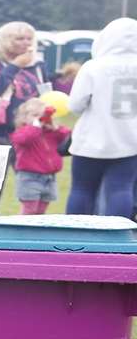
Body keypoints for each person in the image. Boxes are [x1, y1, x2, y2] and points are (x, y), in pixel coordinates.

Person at [63, 17, 137, 217]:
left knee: (82, 189)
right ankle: (117, 237)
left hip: (91, 140)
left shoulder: (94, 66)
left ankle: (75, 234)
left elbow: (75, 106)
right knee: (121, 188)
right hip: (129, 141)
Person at [8, 98, 68, 216]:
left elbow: (67, 137)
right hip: (30, 177)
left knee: (41, 212)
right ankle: (22, 232)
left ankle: (35, 233)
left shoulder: (50, 132)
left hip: (49, 178)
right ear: (24, 117)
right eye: (35, 115)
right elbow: (23, 139)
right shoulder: (22, 132)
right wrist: (35, 127)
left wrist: (55, 128)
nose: (39, 118)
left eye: (42, 115)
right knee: (29, 210)